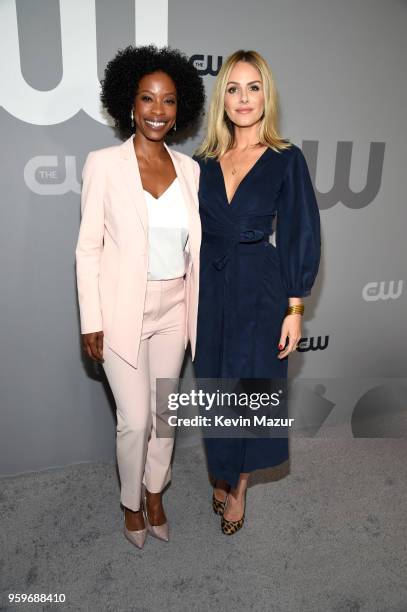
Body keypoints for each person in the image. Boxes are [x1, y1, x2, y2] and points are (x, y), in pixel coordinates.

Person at [75, 45, 204, 548]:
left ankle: (156, 492)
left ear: (179, 109)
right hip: (123, 311)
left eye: (168, 101)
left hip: (176, 308)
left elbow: (194, 252)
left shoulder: (191, 172)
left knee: (165, 414)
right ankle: (130, 501)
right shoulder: (104, 165)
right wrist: (92, 319)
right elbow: (87, 249)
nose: (157, 110)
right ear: (130, 104)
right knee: (135, 421)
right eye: (147, 99)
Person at [193, 50, 321, 535]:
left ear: (266, 95)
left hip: (261, 287)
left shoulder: (286, 159)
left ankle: (239, 485)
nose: (243, 98)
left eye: (253, 87)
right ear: (221, 98)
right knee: (216, 389)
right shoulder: (201, 162)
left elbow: (299, 232)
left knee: (254, 391)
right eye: (232, 88)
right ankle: (221, 469)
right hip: (208, 288)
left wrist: (294, 306)